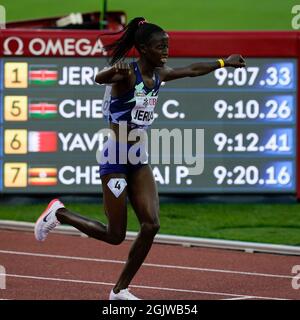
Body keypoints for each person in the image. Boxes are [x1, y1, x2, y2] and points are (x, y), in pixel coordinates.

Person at [34, 17, 246, 300]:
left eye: (167, 46)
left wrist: (224, 63)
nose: (166, 51)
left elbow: (193, 69)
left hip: (138, 157)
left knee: (151, 224)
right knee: (115, 235)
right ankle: (59, 212)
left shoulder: (160, 74)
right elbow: (98, 79)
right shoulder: (127, 74)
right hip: (115, 158)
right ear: (144, 48)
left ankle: (119, 290)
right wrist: (113, 70)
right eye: (161, 47)